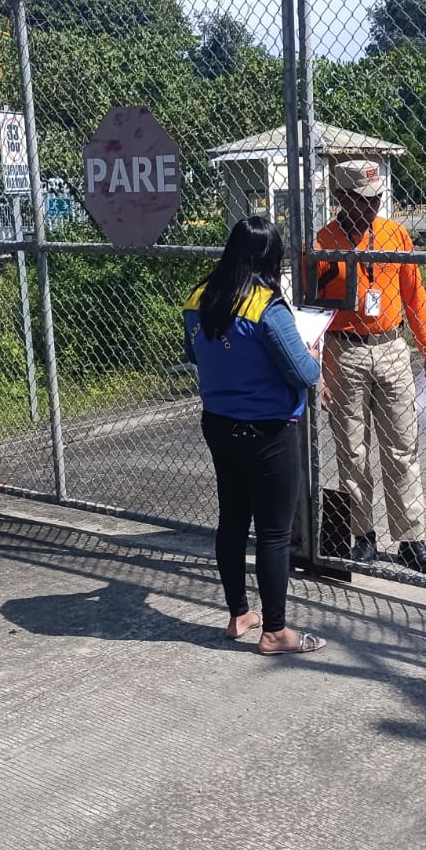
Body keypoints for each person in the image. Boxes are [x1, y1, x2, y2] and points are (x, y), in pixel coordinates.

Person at [184, 215, 326, 655]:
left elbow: (195, 352)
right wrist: (311, 351)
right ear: (270, 258)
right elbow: (304, 373)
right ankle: (275, 631)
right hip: (268, 430)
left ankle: (238, 614)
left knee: (232, 520)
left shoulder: (199, 298)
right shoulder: (266, 306)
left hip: (219, 422)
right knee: (273, 532)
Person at [314, 160, 426, 575]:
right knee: (352, 451)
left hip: (390, 347)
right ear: (341, 197)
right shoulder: (323, 242)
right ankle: (362, 535)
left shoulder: (394, 234)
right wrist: (319, 368)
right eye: (363, 200)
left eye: (376, 199)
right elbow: (313, 311)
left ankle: (411, 539)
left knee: (402, 448)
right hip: (344, 351)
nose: (372, 207)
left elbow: (414, 293)